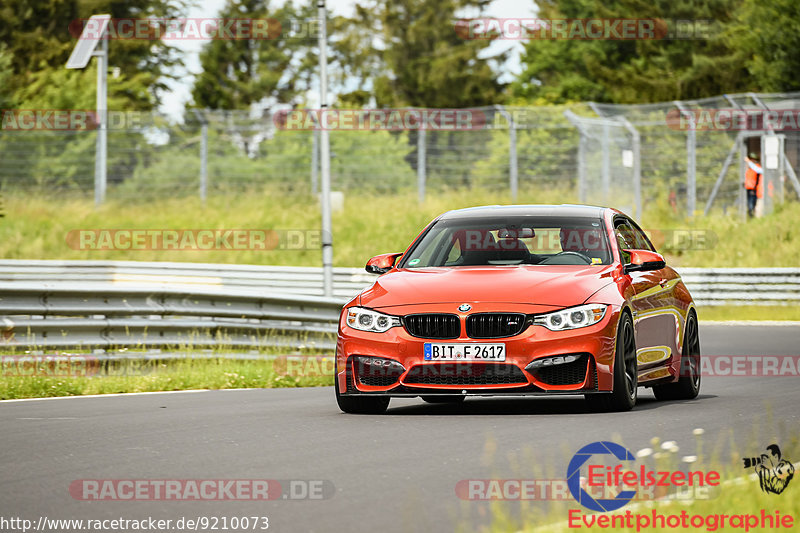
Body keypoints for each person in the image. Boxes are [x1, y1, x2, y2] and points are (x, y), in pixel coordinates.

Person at [744, 153, 763, 218]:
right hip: (748, 189)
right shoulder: (750, 169)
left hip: (754, 189)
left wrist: (748, 162)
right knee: (749, 205)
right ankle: (750, 217)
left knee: (752, 205)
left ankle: (752, 217)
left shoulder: (757, 167)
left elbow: (757, 170)